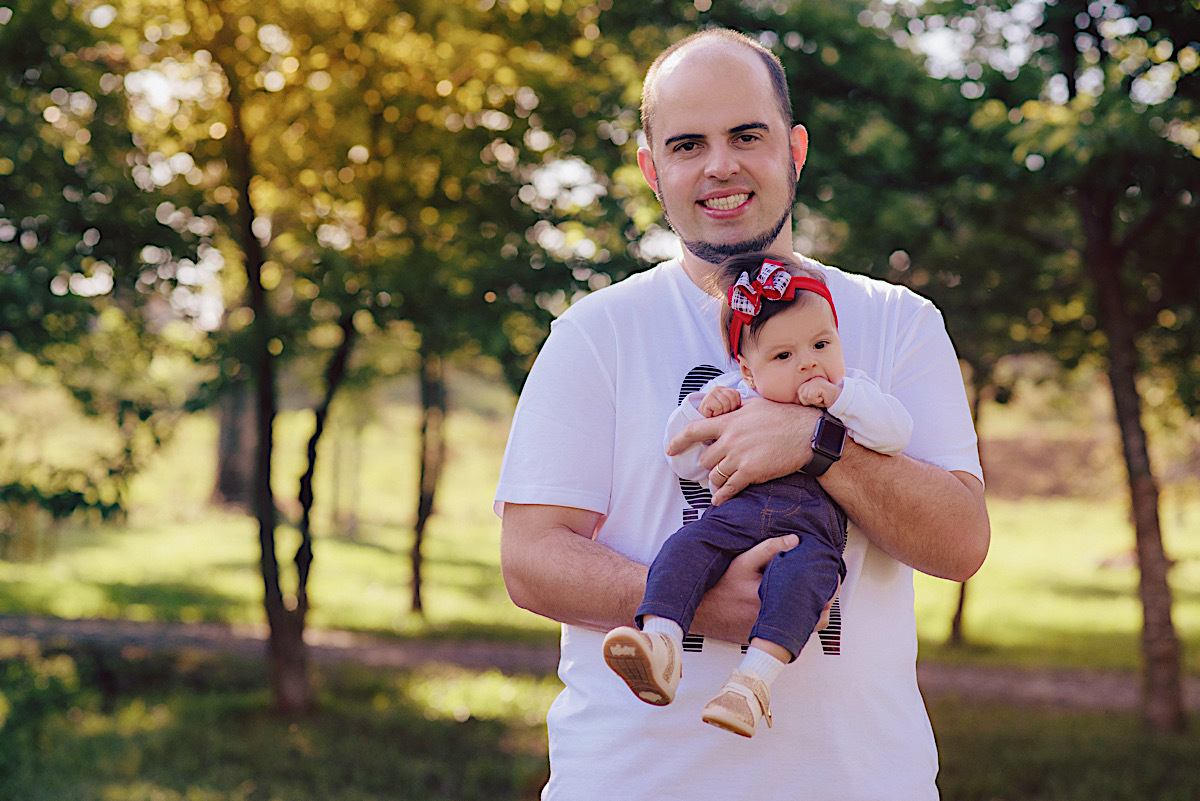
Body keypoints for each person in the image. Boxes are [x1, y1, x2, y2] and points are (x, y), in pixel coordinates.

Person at [496, 27, 989, 800]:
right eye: (688, 144)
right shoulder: (595, 332)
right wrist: (702, 600)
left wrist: (820, 443)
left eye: (746, 136)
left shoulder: (899, 320)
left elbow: (961, 543)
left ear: (794, 149)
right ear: (652, 169)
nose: (719, 165)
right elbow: (529, 559)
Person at [602, 252, 914, 739]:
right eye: (783, 356)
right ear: (748, 373)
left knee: (805, 581)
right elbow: (682, 457)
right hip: (736, 518)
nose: (809, 362)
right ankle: (661, 642)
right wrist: (703, 412)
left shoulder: (854, 394)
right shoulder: (736, 395)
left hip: (810, 533)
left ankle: (751, 685)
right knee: (685, 547)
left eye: (821, 344)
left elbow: (895, 434)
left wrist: (842, 401)